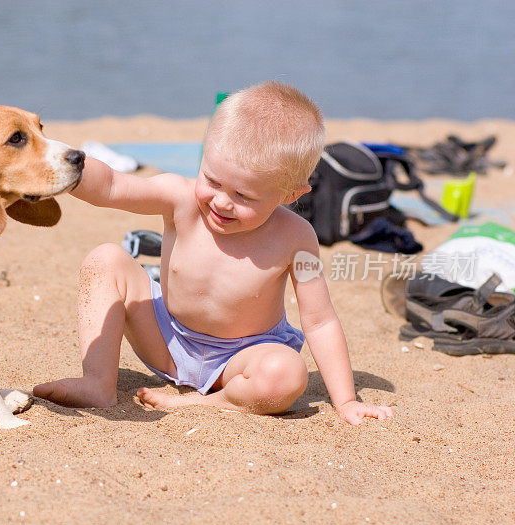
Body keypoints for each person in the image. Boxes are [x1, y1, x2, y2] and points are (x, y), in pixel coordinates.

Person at [33, 81, 393, 424]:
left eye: (244, 196)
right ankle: (97, 382)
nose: (221, 201)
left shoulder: (297, 236)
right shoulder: (181, 198)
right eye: (213, 180)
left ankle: (208, 402)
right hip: (165, 336)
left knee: (286, 374)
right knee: (105, 259)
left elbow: (320, 320)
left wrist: (346, 401)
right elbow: (112, 186)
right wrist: (59, 160)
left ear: (289, 195)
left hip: (240, 359)